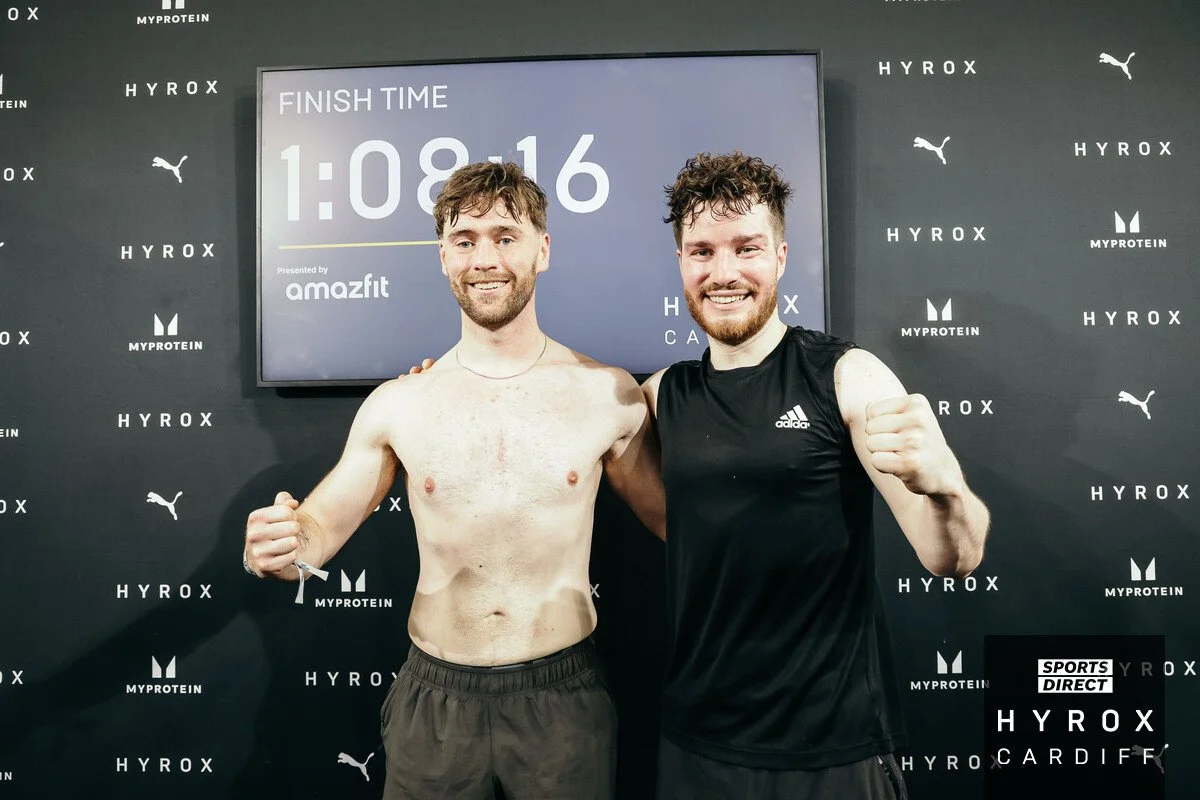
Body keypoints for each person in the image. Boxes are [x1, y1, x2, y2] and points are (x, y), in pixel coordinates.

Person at [242, 161, 666, 800]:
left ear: (542, 250)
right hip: (435, 701)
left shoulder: (607, 395)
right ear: (443, 257)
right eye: (464, 240)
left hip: (562, 702)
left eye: (505, 236)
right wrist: (282, 545)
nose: (484, 258)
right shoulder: (399, 403)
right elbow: (319, 528)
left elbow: (677, 526)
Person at [643, 152, 991, 799]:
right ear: (681, 263)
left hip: (832, 743)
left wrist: (945, 487)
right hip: (698, 740)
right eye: (702, 252)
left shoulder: (847, 376)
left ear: (780, 257)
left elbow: (953, 557)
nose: (723, 272)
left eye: (746, 248)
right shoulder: (662, 396)